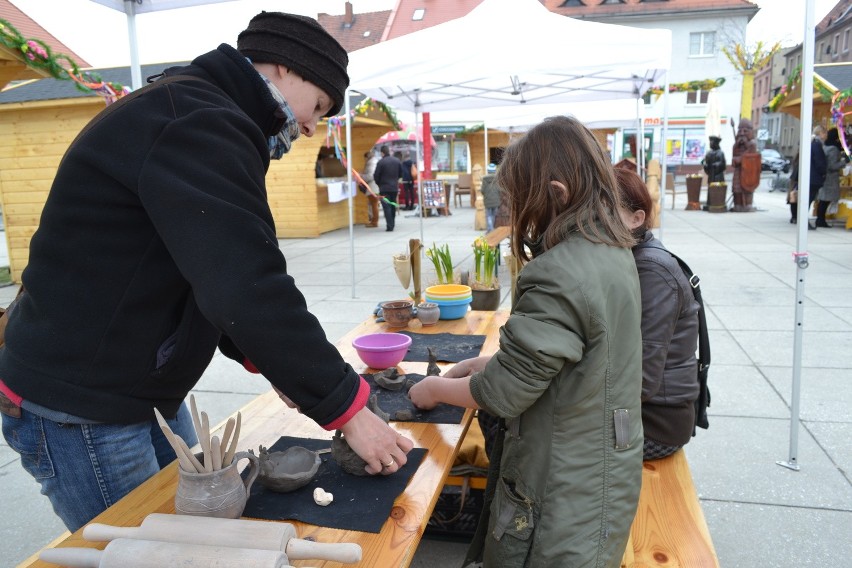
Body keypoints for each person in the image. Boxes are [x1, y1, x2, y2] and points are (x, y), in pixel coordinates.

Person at [0, 11, 413, 533]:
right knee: (145, 549)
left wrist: (276, 365)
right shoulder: (197, 122)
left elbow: (205, 270)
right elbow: (247, 285)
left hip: (128, 386)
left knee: (187, 535)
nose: (311, 126)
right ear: (286, 69)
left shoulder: (200, 113)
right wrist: (348, 411)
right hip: (82, 403)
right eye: (320, 106)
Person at [409, 116, 643, 567]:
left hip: (562, 491)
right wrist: (491, 363)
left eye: (520, 203)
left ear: (557, 194)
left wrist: (434, 388)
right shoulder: (611, 250)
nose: (515, 216)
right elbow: (568, 359)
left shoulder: (559, 272)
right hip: (598, 472)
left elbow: (504, 392)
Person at [615, 168, 700, 460]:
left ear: (637, 219)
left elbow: (642, 380)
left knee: (537, 435)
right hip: (637, 410)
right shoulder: (630, 256)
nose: (593, 222)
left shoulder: (651, 269)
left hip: (655, 422)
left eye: (606, 212)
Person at [816, 127, 845, 228]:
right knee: (825, 200)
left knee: (823, 199)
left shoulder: (826, 146)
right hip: (830, 178)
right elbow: (832, 166)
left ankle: (820, 219)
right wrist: (844, 162)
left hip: (825, 177)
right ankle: (820, 220)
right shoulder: (833, 149)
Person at [373, 145, 404, 231]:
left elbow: (376, 176)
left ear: (382, 153)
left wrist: (379, 184)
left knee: (386, 207)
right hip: (394, 187)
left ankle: (389, 226)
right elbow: (401, 174)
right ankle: (392, 223)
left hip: (384, 188)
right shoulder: (397, 161)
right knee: (393, 205)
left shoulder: (381, 162)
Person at [808, 124, 828, 230]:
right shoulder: (817, 145)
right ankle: (804, 222)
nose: (826, 136)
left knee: (809, 199)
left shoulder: (812, 143)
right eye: (825, 133)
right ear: (820, 133)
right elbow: (819, 162)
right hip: (814, 177)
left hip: (811, 176)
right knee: (809, 199)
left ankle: (803, 220)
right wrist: (823, 173)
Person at [360, 149, 380, 227]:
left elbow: (370, 176)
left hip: (372, 186)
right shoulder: (375, 162)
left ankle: (374, 222)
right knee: (374, 204)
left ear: (367, 157)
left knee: (374, 204)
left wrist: (360, 176)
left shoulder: (371, 163)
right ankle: (374, 221)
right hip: (375, 186)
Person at [788, 152, 800, 224]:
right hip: (797, 180)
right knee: (795, 198)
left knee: (793, 199)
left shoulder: (797, 157)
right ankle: (794, 216)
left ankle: (794, 216)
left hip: (795, 179)